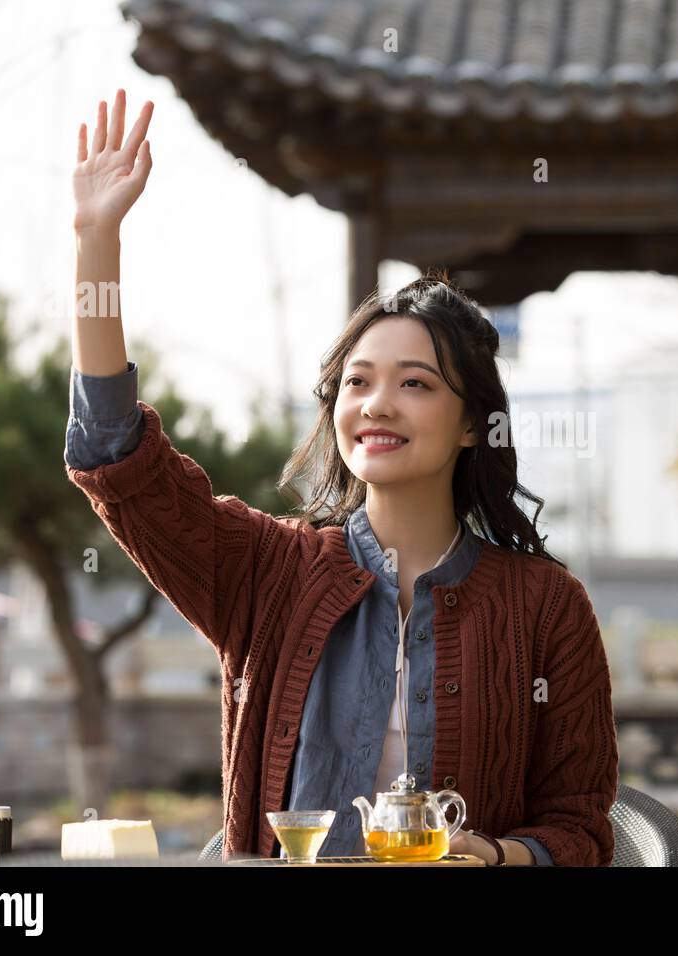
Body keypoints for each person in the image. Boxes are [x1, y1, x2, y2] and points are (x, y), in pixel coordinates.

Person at [64, 90, 619, 866]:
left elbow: (583, 832)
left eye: (415, 383)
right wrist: (97, 243)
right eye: (357, 383)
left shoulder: (547, 609)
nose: (377, 405)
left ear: (472, 424)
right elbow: (119, 461)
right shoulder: (264, 573)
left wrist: (494, 856)